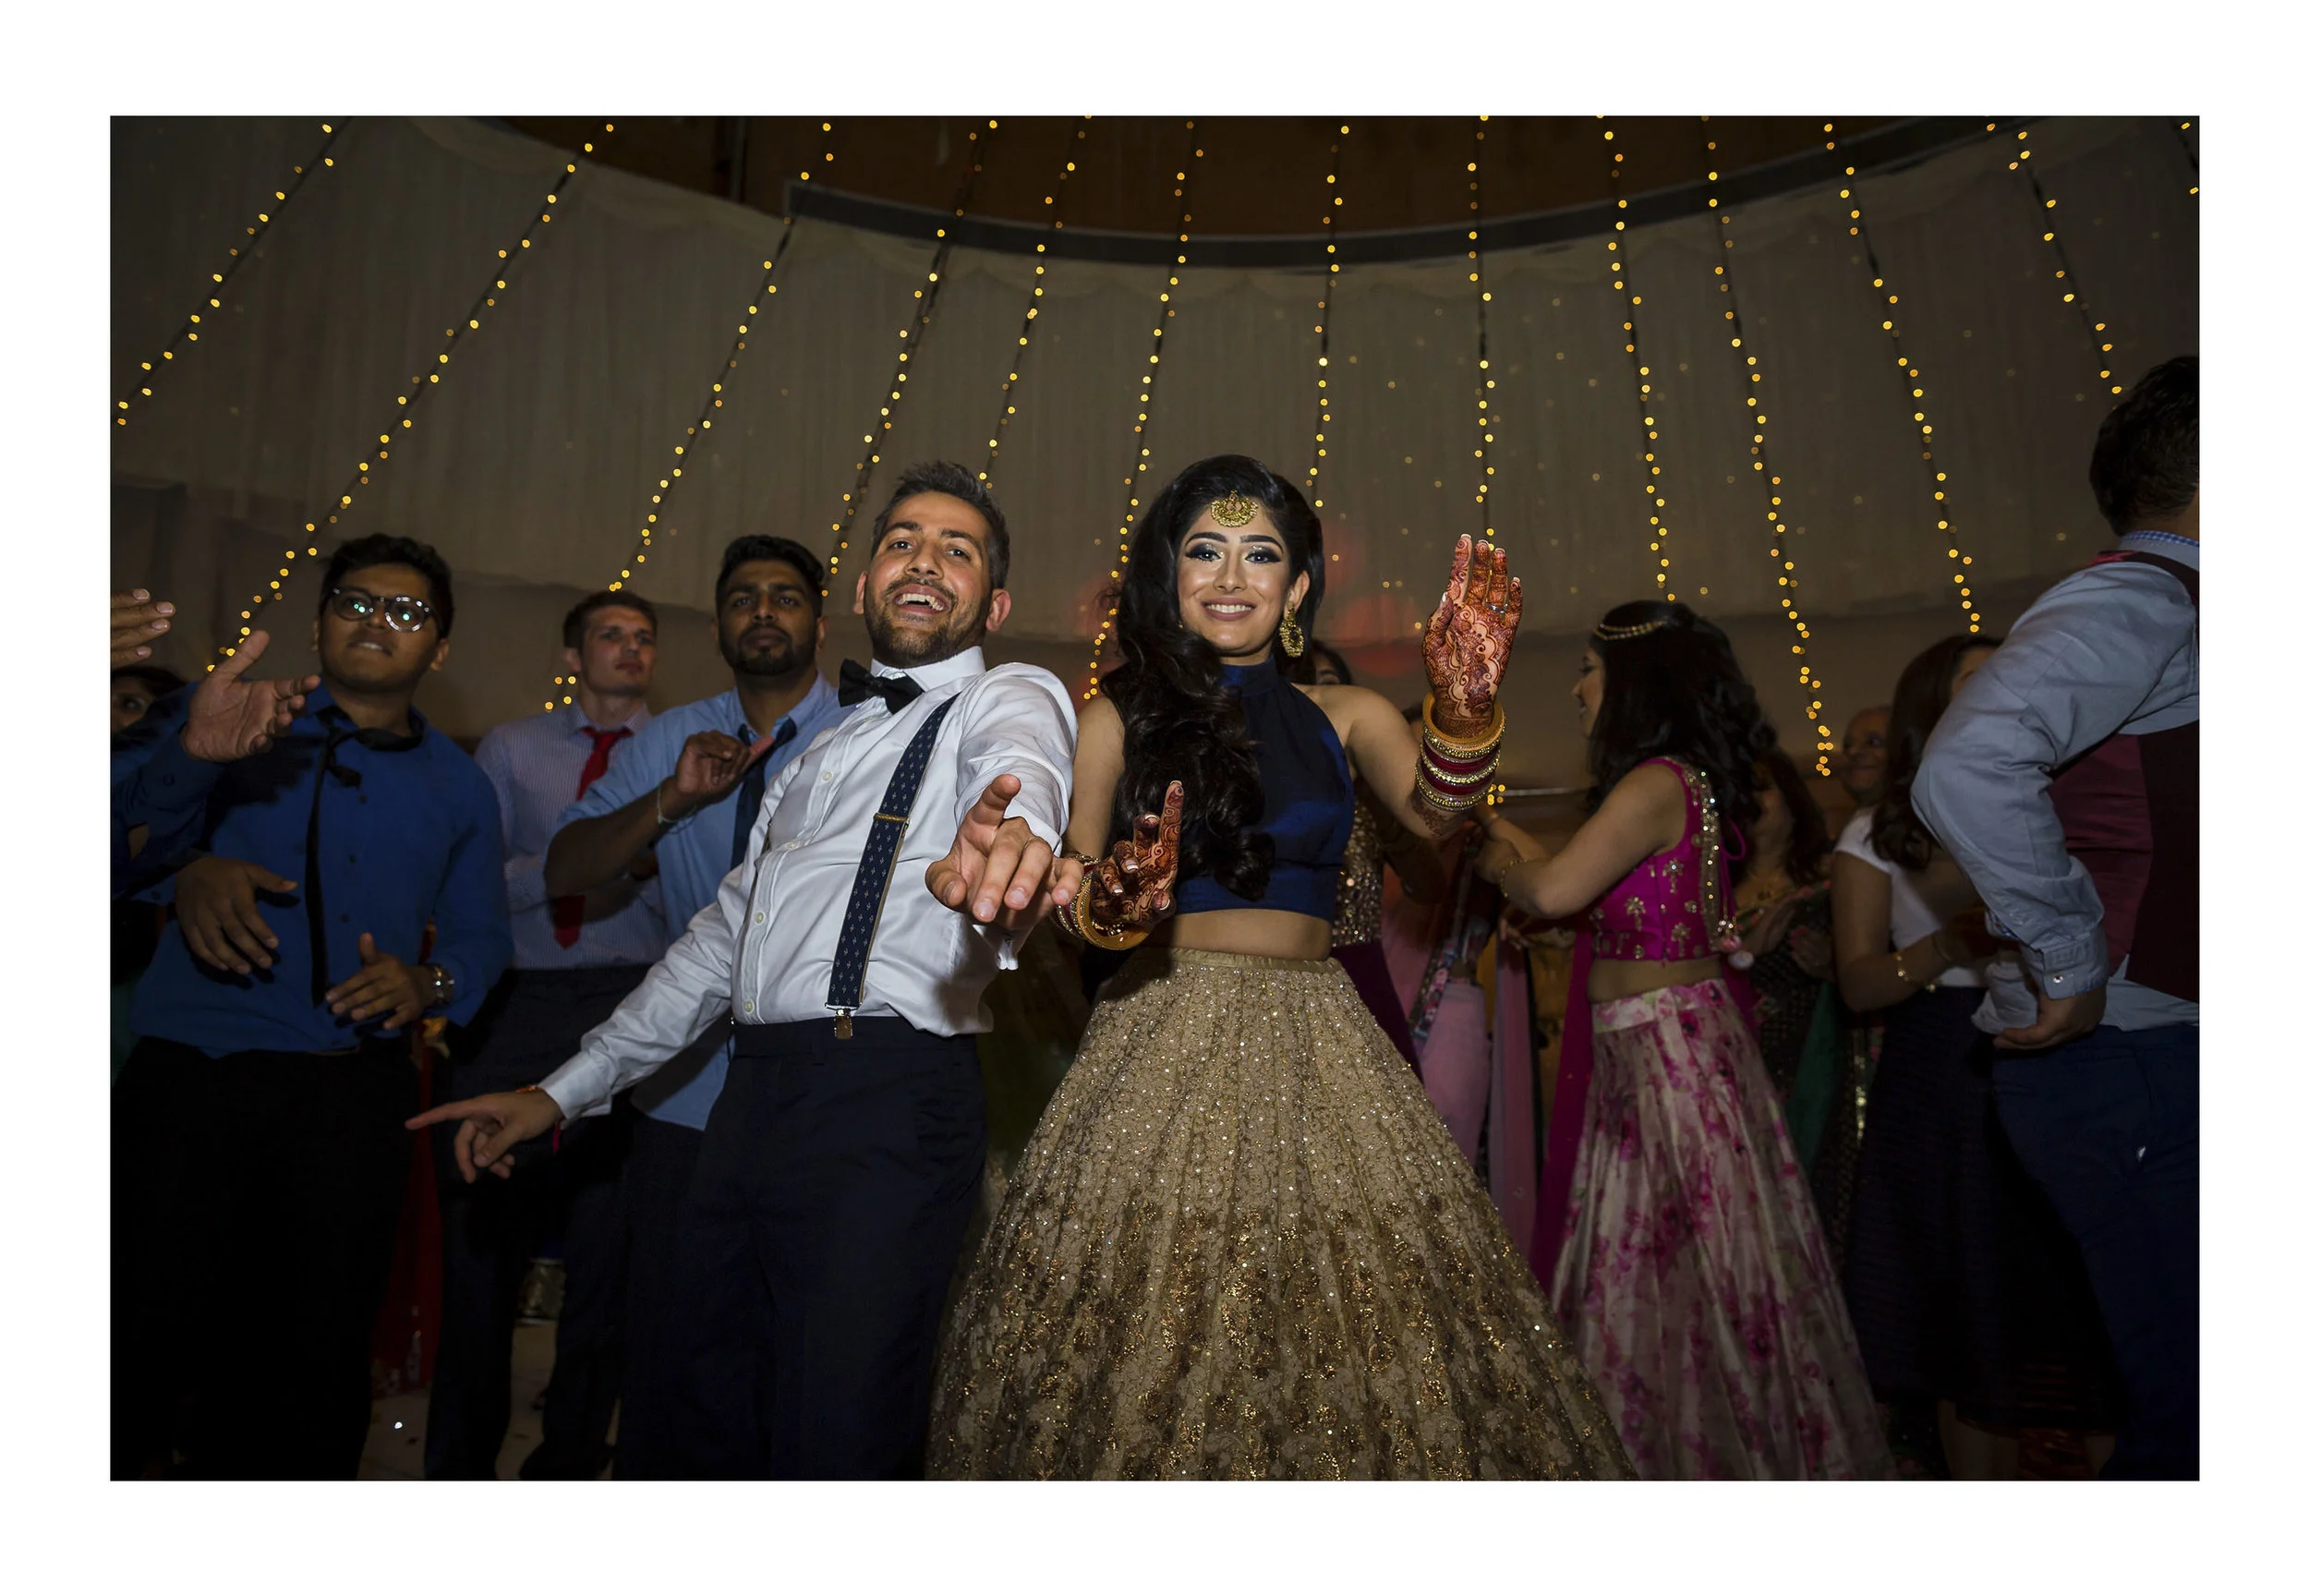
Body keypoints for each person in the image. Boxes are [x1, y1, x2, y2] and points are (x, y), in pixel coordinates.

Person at [929, 454, 1630, 1480]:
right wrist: (1111, 908)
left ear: (1297, 588)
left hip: (1321, 1036)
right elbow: (1072, 889)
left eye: (1259, 555)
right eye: (1204, 551)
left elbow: (1436, 819)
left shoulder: (1348, 716)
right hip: (1161, 1032)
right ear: (1170, 575)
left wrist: (1466, 710)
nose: (1230, 576)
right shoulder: (1113, 717)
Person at [415, 463, 1076, 1480]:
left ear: (992, 605)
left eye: (957, 550)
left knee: (838, 1430)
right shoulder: (808, 761)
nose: (922, 561)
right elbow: (711, 953)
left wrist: (1016, 830)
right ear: (865, 585)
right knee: (702, 1417)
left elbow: (1020, 761)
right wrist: (560, 1093)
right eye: (901, 541)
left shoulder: (1009, 694)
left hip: (885, 1099)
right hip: (748, 1102)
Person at [113, 534, 512, 1479]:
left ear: (440, 649)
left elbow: (483, 937)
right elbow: (107, 847)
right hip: (189, 1079)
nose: (376, 621)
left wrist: (427, 984)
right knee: (135, 1336)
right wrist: (189, 860)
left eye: (407, 611)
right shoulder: (224, 713)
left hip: (349, 1093)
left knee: (315, 1355)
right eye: (354, 601)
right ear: (321, 620)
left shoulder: (462, 785)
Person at [1477, 600, 1891, 1479]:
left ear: (1635, 682)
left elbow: (1552, 890)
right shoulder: (1673, 783)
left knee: (1688, 1272)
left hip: (1666, 1056)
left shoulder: (1655, 782)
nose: (1578, 689)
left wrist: (1500, 862)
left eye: (1589, 669)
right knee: (1664, 1274)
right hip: (1657, 1048)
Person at [1911, 356, 2199, 1480]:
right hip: (2131, 1054)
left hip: (2150, 1049)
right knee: (2196, 1422)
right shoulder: (2141, 597)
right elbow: (1970, 763)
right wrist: (2069, 959)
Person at [513, 533, 852, 1477]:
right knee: (671, 1344)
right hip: (684, 1092)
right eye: (743, 598)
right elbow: (567, 869)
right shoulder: (669, 738)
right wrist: (672, 797)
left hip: (821, 1092)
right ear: (718, 627)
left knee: (802, 1350)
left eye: (786, 596)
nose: (764, 612)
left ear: (821, 623)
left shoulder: (866, 734)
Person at [1832, 632, 2119, 1480]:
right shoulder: (1878, 832)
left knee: (2085, 1296)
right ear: (1931, 709)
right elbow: (1859, 985)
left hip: (2072, 1046)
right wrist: (1946, 948)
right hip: (1945, 1063)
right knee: (1966, 1307)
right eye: (1976, 681)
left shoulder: (2073, 800)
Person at [422, 590, 668, 1481]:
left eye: (644, 638)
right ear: (573, 654)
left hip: (632, 1002)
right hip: (516, 1001)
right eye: (610, 635)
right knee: (481, 1248)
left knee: (609, 1262)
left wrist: (644, 869)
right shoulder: (512, 747)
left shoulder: (680, 751)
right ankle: (458, 1469)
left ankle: (569, 1468)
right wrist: (580, 868)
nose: (630, 650)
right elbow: (470, 878)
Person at [1729, 744, 1859, 1253]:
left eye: (1761, 788)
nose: (1750, 801)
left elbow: (1870, 966)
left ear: (1791, 797)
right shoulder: (1710, 891)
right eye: (1738, 792)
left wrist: (1832, 966)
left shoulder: (1829, 880)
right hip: (1737, 1070)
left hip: (1815, 1064)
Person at [1289, 639, 1443, 1065]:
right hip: (1285, 974)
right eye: (1302, 685)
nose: (1316, 699)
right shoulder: (1273, 798)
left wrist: (1381, 810)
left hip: (1363, 977)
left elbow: (1430, 887)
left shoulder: (1373, 795)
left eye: (1327, 684)